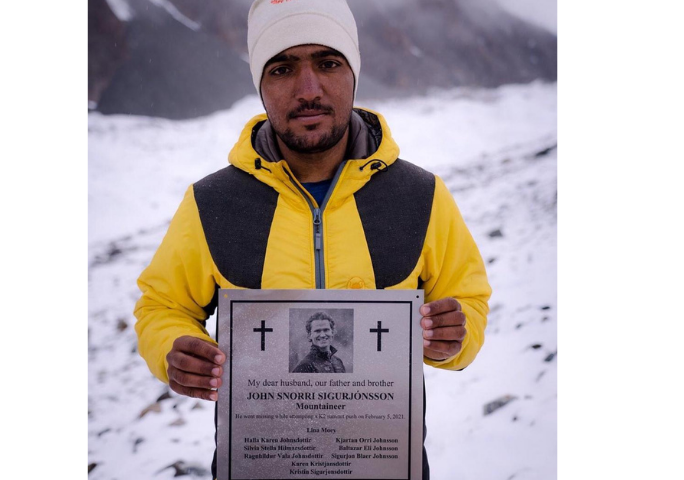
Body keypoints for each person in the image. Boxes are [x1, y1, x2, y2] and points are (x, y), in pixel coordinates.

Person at [134, 0, 492, 477]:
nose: (308, 89)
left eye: (328, 62)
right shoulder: (212, 202)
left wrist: (454, 337)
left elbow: (467, 299)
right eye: (282, 68)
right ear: (261, 85)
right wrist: (173, 348)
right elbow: (162, 304)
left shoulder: (421, 196)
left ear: (353, 74)